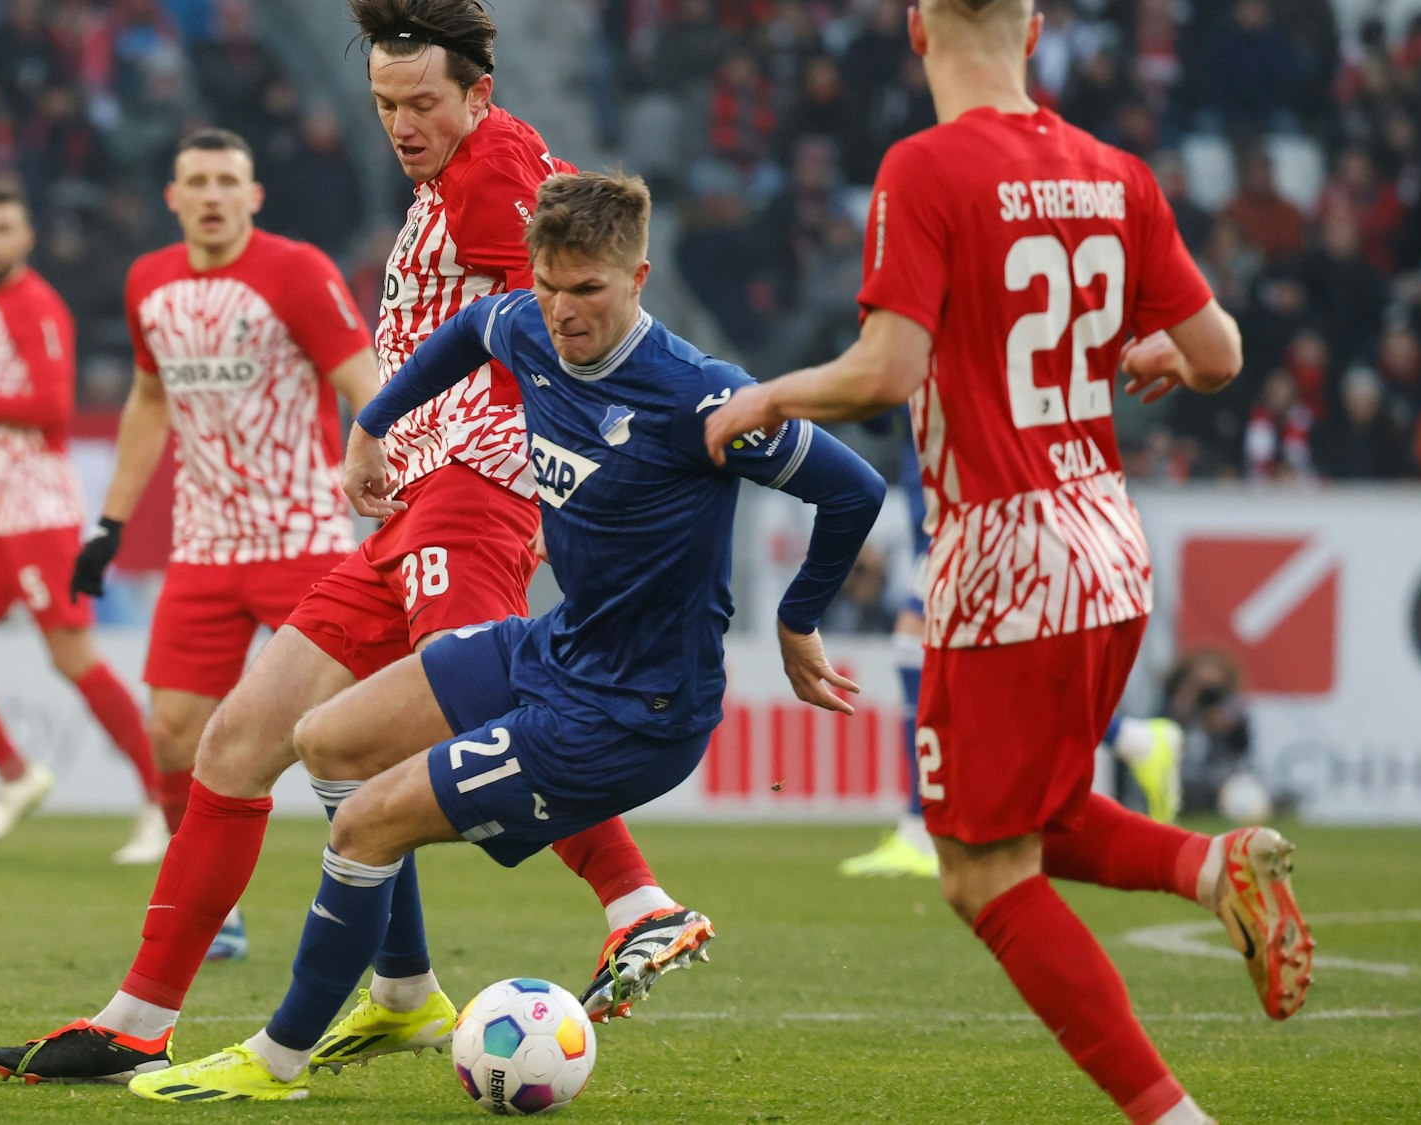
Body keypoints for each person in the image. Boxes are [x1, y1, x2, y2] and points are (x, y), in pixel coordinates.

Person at [0, 0, 709, 1086]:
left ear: (477, 94)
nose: (402, 122)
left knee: (482, 708)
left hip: (470, 495)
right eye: (384, 103)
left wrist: (559, 455)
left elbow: (567, 320)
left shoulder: (491, 168)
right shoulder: (452, 177)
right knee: (243, 745)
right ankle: (153, 1018)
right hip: (416, 500)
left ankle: (635, 902)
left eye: (423, 102)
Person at [128, 169, 886, 1104]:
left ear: (639, 276)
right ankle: (413, 991)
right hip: (557, 647)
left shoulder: (699, 398)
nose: (563, 312)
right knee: (323, 737)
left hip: (632, 711)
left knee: (365, 823)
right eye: (549, 286)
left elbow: (854, 489)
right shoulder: (526, 323)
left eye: (588, 291)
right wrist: (372, 424)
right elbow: (469, 331)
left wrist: (797, 619)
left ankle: (276, 1060)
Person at [704, 1, 1313, 1120]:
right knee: (1033, 807)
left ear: (915, 28)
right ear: (1033, 32)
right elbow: (1219, 352)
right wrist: (1156, 353)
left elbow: (888, 371)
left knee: (980, 872)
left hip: (1000, 555)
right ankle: (1204, 866)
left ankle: (1170, 1116)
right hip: (1108, 548)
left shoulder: (924, 168)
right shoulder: (1113, 170)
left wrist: (768, 393)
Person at [68, 127, 381, 912]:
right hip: (203, 544)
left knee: (341, 736)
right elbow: (148, 398)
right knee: (172, 733)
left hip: (301, 536)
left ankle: (376, 906)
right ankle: (211, 901)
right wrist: (109, 523)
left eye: (226, 181)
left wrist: (388, 474)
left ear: (253, 196)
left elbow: (364, 380)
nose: (211, 195)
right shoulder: (149, 281)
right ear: (173, 198)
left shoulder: (297, 271)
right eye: (196, 182)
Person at [0, 179, 161, 857]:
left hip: (38, 512)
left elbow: (52, 410)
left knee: (72, 659)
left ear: (25, 239)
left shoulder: (35, 305)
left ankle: (163, 804)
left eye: (0, 230)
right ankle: (15, 775)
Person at [840, 441, 1184, 880]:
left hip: (967, 512)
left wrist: (773, 405)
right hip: (944, 515)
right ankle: (1132, 739)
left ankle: (921, 828)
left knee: (918, 651)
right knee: (983, 677)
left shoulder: (941, 375)